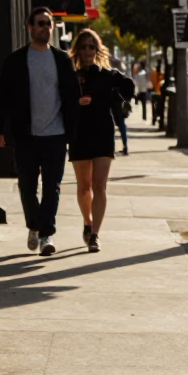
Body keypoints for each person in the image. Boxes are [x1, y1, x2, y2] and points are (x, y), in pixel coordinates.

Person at [0, 6, 79, 257]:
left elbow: (71, 99)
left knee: (52, 186)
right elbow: (2, 98)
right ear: (29, 27)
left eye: (48, 24)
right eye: (40, 23)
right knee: (27, 187)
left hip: (55, 135)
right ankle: (33, 224)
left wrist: (72, 134)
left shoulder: (62, 60)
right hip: (26, 135)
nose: (44, 28)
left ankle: (46, 234)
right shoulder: (16, 60)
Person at [68, 29, 135, 253]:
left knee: (99, 185)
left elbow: (128, 87)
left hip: (103, 133)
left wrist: (119, 94)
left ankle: (95, 234)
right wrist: (76, 103)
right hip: (79, 133)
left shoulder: (107, 74)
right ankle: (87, 222)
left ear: (97, 50)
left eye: (92, 47)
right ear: (77, 50)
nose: (87, 51)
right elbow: (61, 101)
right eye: (84, 47)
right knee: (83, 187)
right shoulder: (71, 76)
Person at [149, 61, 164, 128]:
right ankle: (156, 120)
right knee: (158, 107)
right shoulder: (161, 74)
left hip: (155, 93)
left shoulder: (155, 73)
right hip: (159, 93)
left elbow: (151, 81)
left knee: (154, 107)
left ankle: (154, 120)